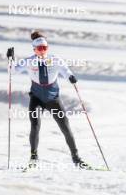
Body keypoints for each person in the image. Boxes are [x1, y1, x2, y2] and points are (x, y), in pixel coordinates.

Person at [7, 31, 89, 169]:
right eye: (39, 48)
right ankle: (34, 157)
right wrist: (10, 60)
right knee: (35, 126)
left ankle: (76, 158)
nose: (42, 51)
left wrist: (71, 77)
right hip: (37, 98)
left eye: (45, 48)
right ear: (34, 49)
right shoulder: (29, 61)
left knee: (65, 127)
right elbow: (13, 71)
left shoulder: (55, 59)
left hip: (53, 99)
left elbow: (65, 70)